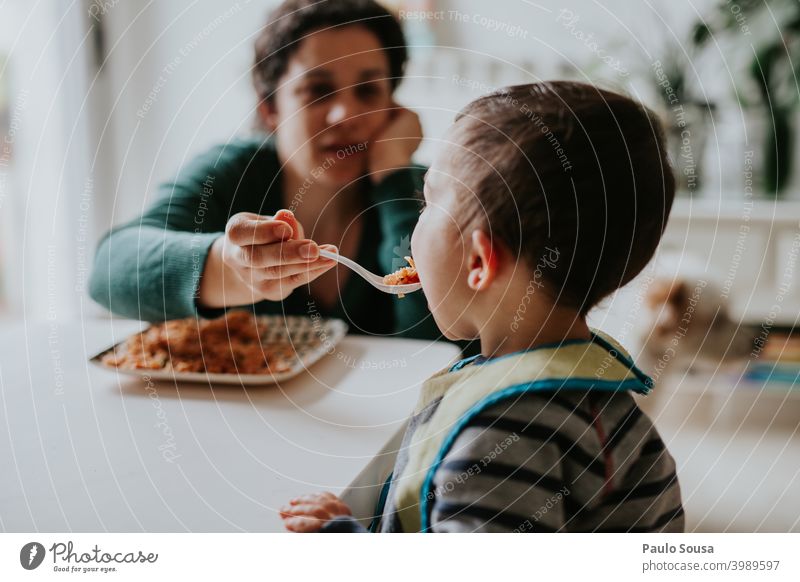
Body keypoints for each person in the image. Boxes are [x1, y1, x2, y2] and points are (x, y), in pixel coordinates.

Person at [279, 82, 685, 533]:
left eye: (426, 201)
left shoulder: (504, 438)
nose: (415, 220)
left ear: (478, 261)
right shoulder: (592, 391)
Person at [89, 0, 440, 341]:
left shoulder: (426, 193)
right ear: (270, 108)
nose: (345, 115)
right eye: (318, 91)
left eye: (367, 91)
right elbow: (110, 267)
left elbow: (442, 345)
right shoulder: (232, 172)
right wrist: (228, 268)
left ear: (393, 107)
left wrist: (394, 177)